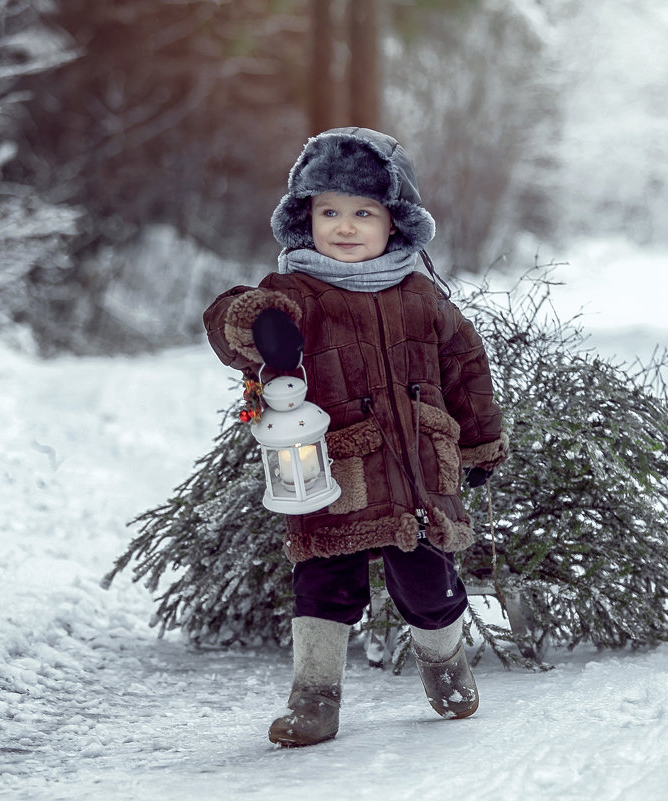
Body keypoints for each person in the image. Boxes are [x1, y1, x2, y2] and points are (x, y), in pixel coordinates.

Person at [203, 127, 509, 748]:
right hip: (333, 470)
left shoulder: (422, 295)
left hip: (421, 471)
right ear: (304, 219)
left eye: (362, 212)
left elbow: (467, 370)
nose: (344, 226)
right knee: (323, 582)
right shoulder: (293, 293)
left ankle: (446, 666)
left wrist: (479, 444)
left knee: (428, 586)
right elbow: (230, 321)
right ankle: (314, 698)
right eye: (329, 211)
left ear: (394, 222)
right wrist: (256, 324)